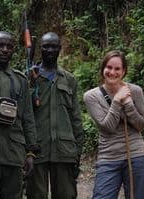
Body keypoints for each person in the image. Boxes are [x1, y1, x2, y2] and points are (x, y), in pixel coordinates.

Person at [0, 31, 38, 199]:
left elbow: (28, 118)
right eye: (0, 45)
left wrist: (30, 153)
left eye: (9, 47)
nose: (4, 50)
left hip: (13, 154)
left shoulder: (20, 80)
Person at [83, 50, 144, 199]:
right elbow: (108, 128)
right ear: (103, 69)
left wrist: (129, 104)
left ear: (124, 71)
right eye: (109, 67)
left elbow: (141, 125)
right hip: (108, 157)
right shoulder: (91, 96)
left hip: (136, 155)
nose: (112, 72)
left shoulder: (135, 91)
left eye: (117, 68)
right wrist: (117, 101)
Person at [26, 32, 84, 199]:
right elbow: (23, 115)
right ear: (40, 49)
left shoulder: (69, 79)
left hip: (64, 151)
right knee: (36, 195)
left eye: (53, 46)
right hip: (37, 149)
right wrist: (31, 83)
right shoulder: (30, 77)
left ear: (60, 49)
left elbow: (76, 118)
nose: (50, 50)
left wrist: (77, 153)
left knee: (66, 194)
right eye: (46, 46)